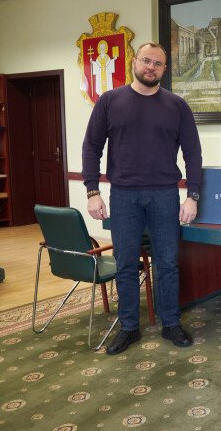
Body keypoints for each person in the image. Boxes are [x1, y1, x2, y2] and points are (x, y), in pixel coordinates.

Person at [82, 42, 202, 355]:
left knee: (167, 264)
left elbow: (193, 153)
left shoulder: (177, 105)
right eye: (146, 60)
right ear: (135, 62)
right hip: (123, 196)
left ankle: (171, 323)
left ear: (164, 69)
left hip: (165, 195)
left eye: (158, 64)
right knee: (125, 264)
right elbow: (91, 146)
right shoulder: (110, 101)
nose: (151, 67)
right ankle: (128, 328)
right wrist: (93, 191)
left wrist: (192, 196)